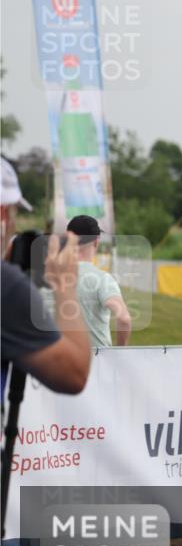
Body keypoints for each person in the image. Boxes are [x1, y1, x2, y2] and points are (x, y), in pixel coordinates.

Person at [1, 157, 91, 397]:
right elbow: (74, 374)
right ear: (4, 215)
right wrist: (64, 284)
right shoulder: (7, 286)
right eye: (14, 213)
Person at [62, 215, 132, 347]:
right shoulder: (102, 279)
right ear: (96, 241)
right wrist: (121, 351)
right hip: (97, 363)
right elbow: (124, 319)